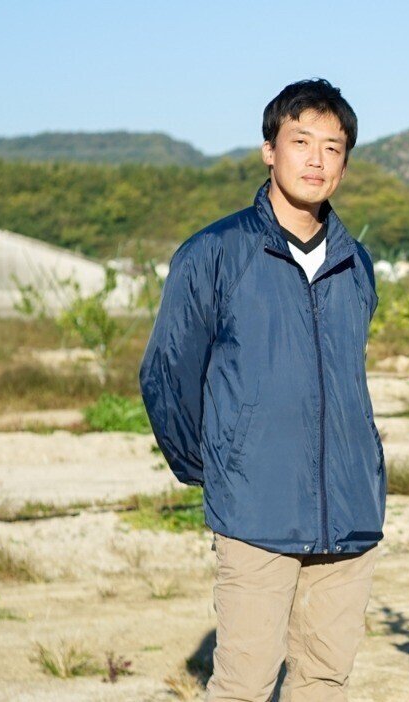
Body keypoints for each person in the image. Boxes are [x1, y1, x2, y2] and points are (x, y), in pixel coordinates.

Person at [141, 78, 385, 702]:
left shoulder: (356, 262)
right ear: (268, 151)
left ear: (345, 164)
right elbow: (167, 374)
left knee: (325, 681)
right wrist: (219, 468)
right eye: (300, 141)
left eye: (333, 148)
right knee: (244, 685)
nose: (316, 160)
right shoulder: (214, 253)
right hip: (255, 513)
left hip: (350, 511)